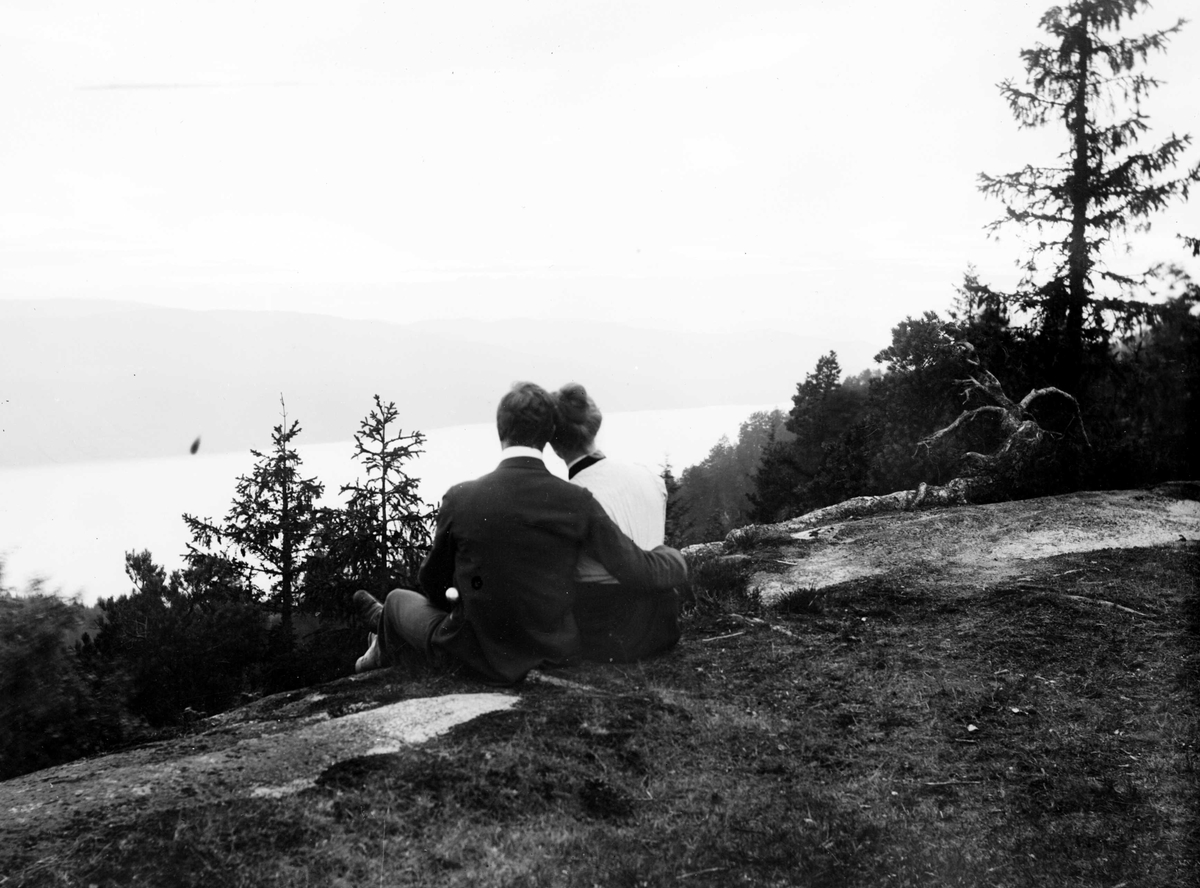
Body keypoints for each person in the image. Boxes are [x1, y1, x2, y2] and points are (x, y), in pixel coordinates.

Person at [353, 381, 688, 685]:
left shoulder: (461, 496)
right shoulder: (576, 498)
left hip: (476, 651)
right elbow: (633, 567)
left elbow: (432, 582)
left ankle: (384, 637)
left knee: (399, 600)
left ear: (501, 429)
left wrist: (462, 602)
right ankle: (384, 632)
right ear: (547, 437)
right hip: (555, 651)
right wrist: (674, 557)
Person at [550, 382, 682, 663]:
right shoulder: (649, 476)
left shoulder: (574, 498)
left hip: (610, 632)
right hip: (664, 622)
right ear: (594, 425)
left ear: (553, 443)